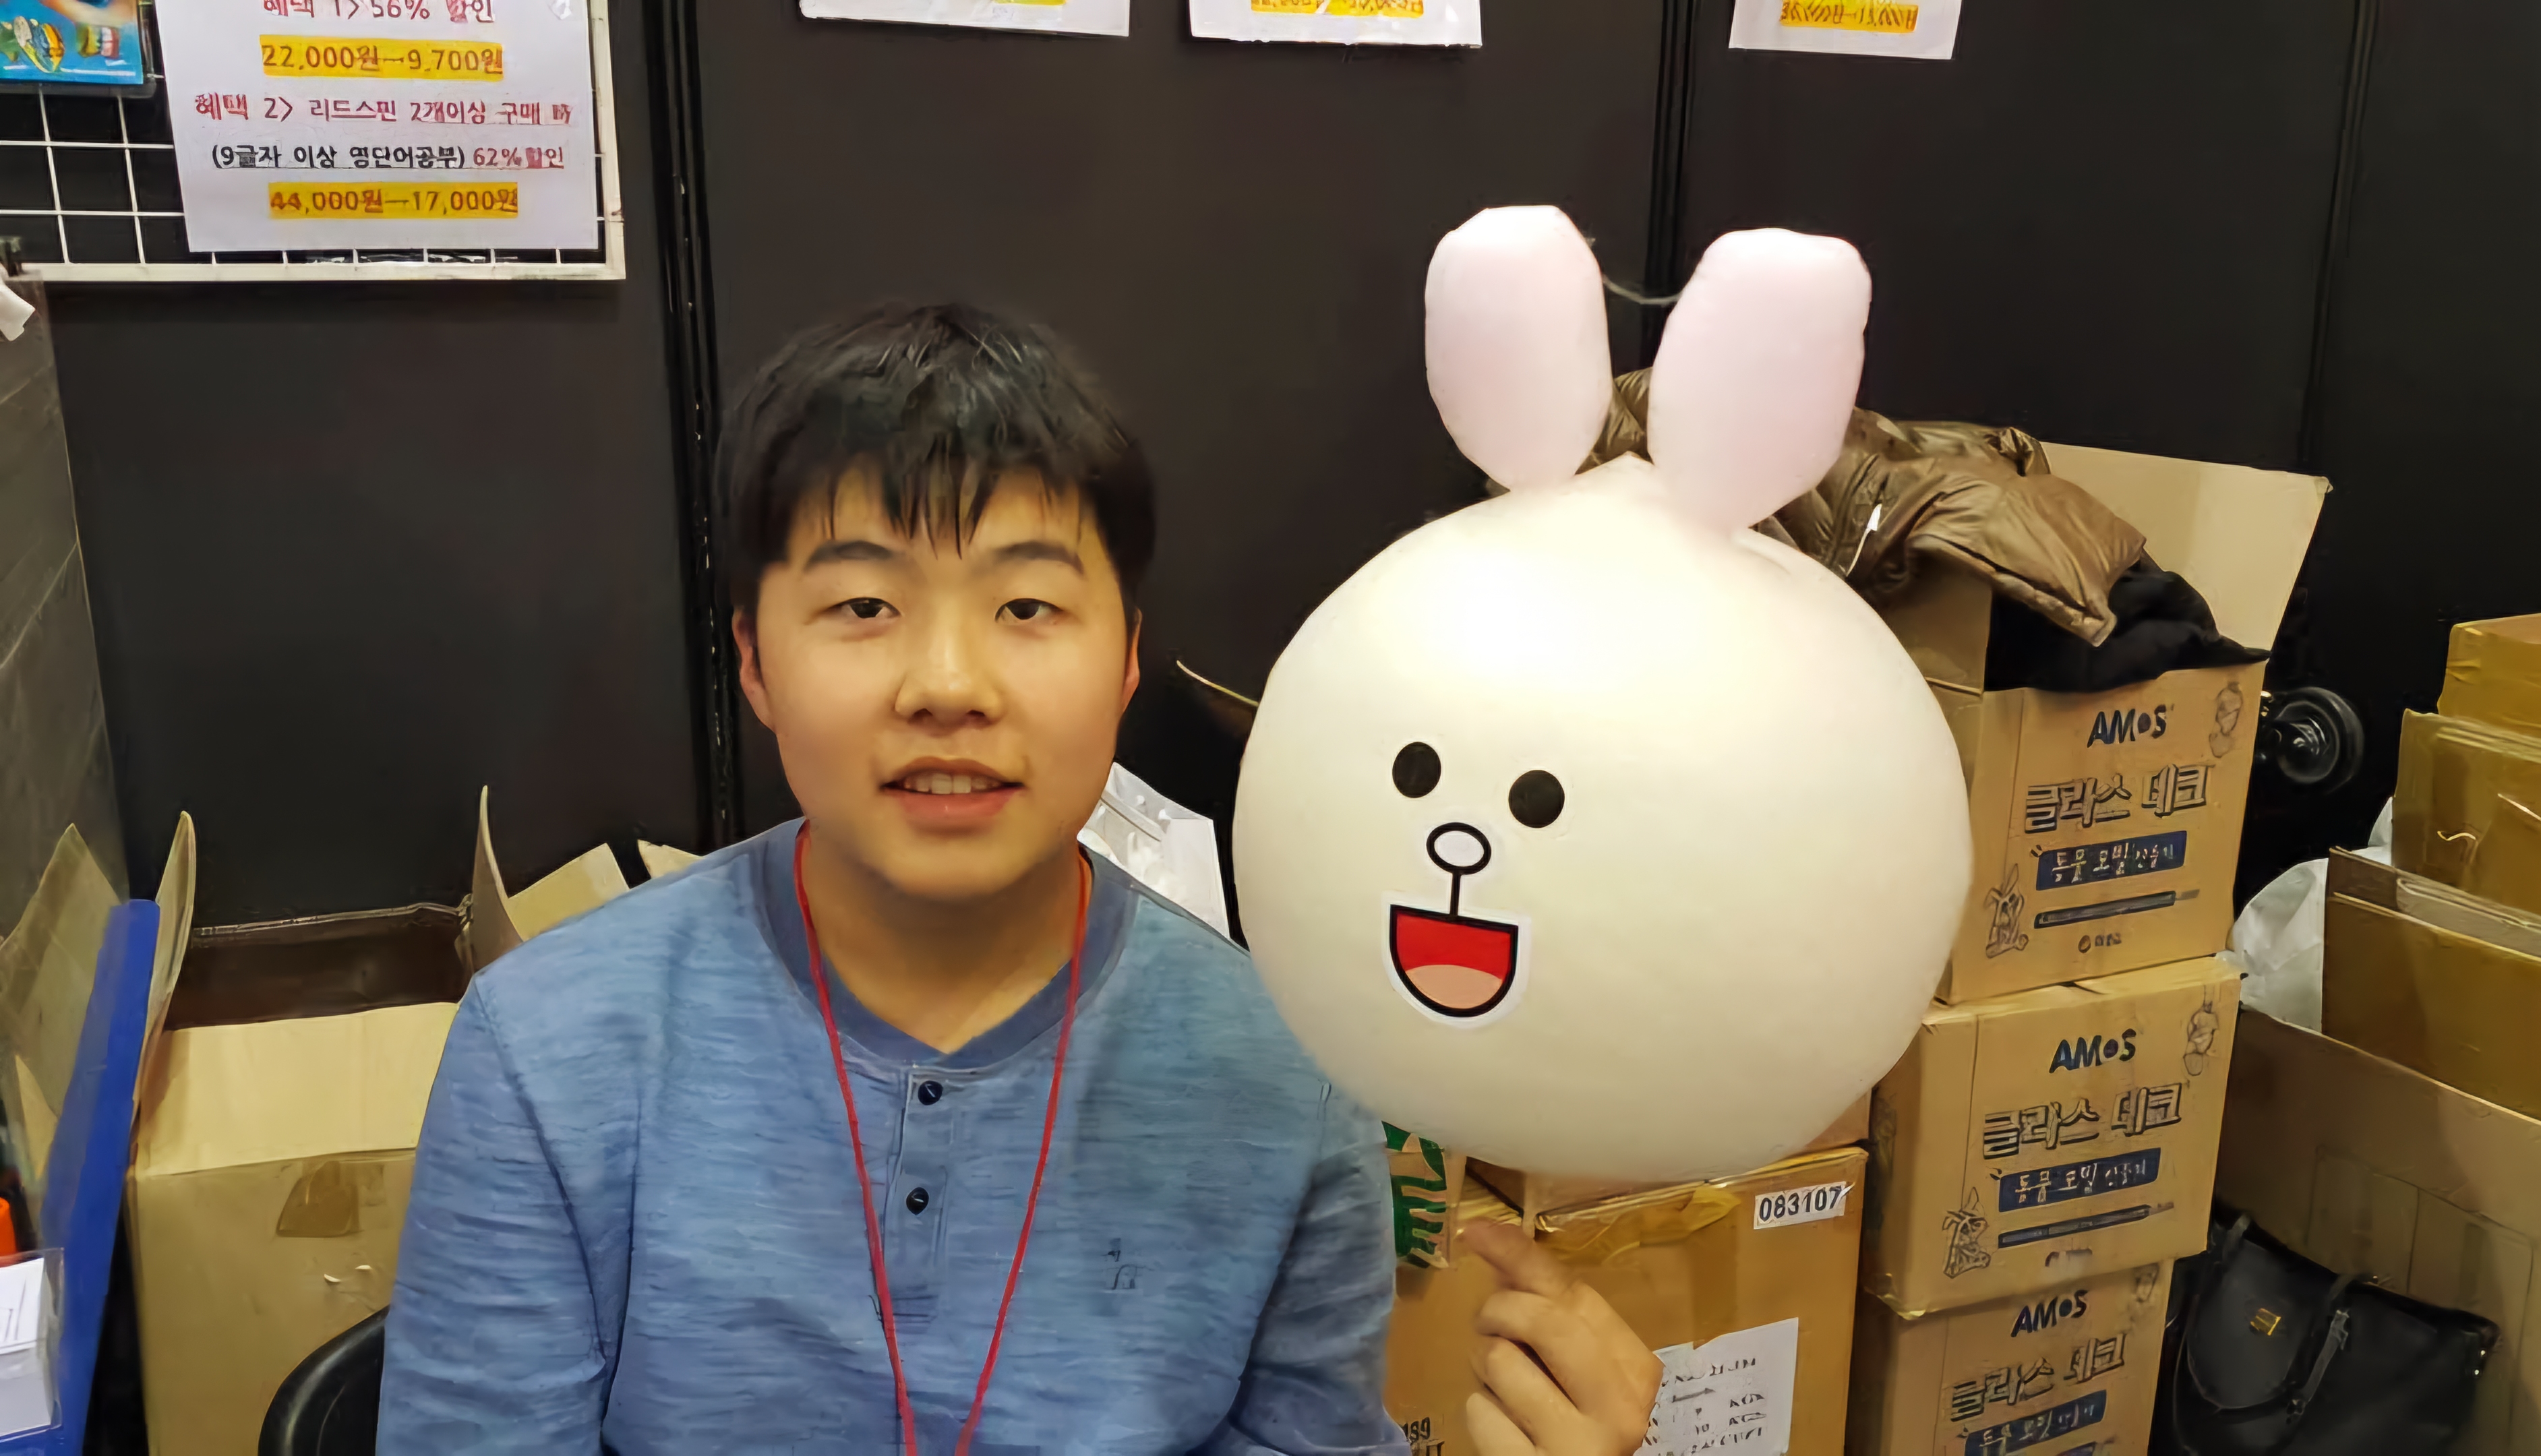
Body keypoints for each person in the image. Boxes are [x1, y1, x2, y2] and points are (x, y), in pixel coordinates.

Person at [380, 303, 1660, 1454]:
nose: (949, 686)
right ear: (755, 662)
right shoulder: (549, 1055)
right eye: (864, 607)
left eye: (1028, 608)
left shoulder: (1287, 1078)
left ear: (1126, 663)